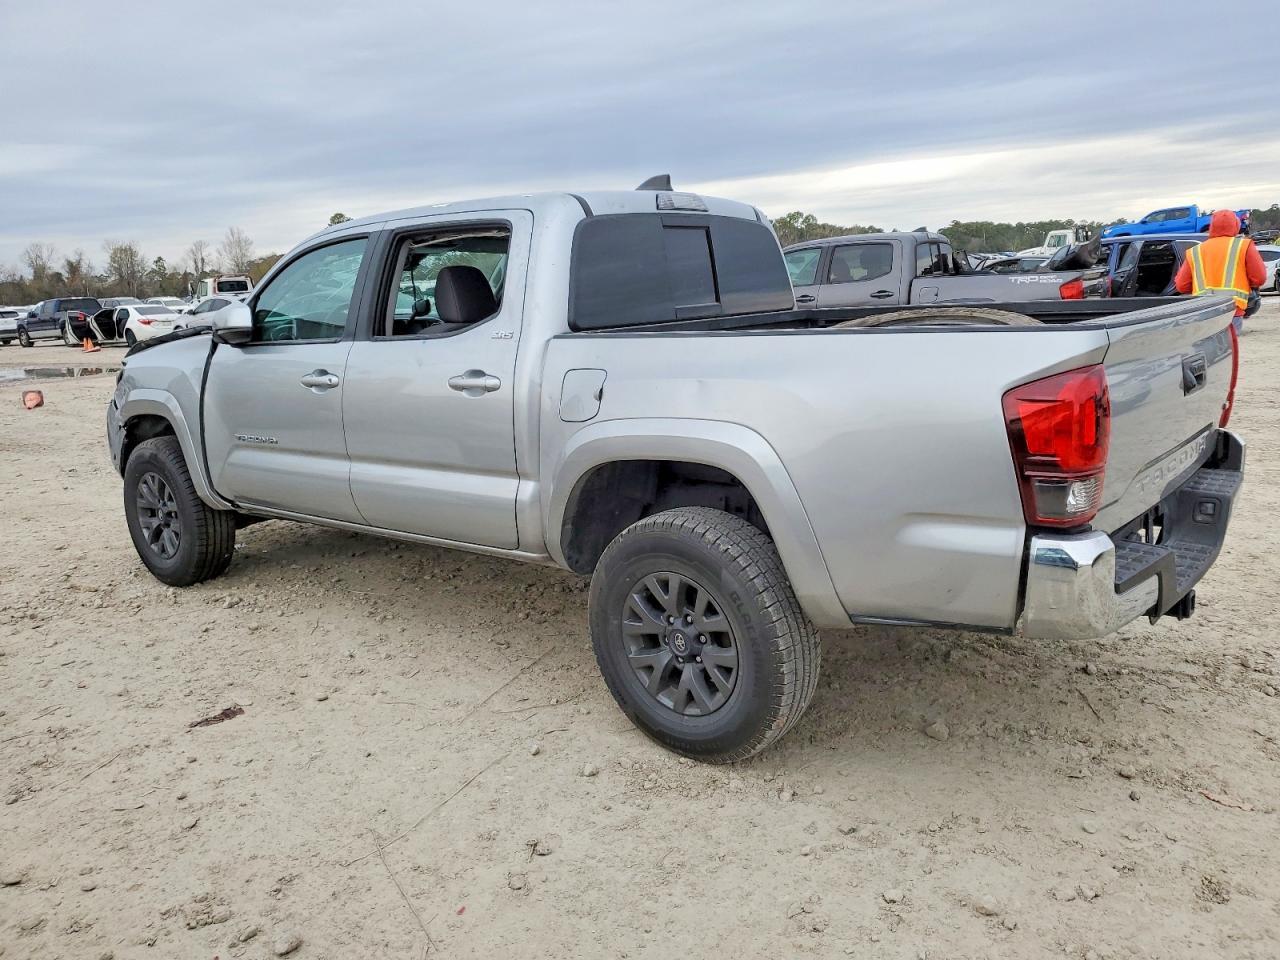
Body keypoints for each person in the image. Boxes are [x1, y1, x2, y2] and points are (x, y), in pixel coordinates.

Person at [1174, 209, 1266, 332]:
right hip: (1232, 311)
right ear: (1236, 225)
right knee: (1228, 350)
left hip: (1203, 312)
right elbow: (1259, 278)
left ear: (1212, 227)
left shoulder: (1195, 251)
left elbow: (1181, 286)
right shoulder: (1244, 246)